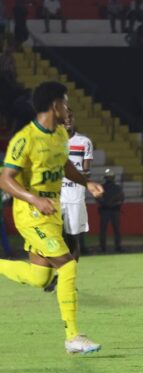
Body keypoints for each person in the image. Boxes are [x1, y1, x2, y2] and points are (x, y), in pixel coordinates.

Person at [0, 81, 104, 354]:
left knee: (39, 278)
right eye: (66, 103)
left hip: (51, 211)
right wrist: (34, 198)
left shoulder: (59, 136)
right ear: (55, 105)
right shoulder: (25, 139)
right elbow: (5, 179)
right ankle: (73, 337)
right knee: (68, 266)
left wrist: (86, 183)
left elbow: (65, 166)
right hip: (31, 214)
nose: (68, 109)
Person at [44, 108, 93, 292]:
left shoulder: (84, 142)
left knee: (73, 239)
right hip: (55, 197)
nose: (68, 120)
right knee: (55, 237)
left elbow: (86, 172)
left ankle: (68, 279)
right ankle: (56, 275)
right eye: (64, 118)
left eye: (71, 117)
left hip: (74, 197)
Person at [97, 169, 124, 252]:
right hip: (114, 210)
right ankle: (118, 247)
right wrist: (113, 204)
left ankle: (103, 248)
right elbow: (121, 199)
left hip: (105, 210)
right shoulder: (118, 187)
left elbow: (98, 199)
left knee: (103, 230)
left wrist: (105, 204)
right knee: (116, 230)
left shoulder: (101, 187)